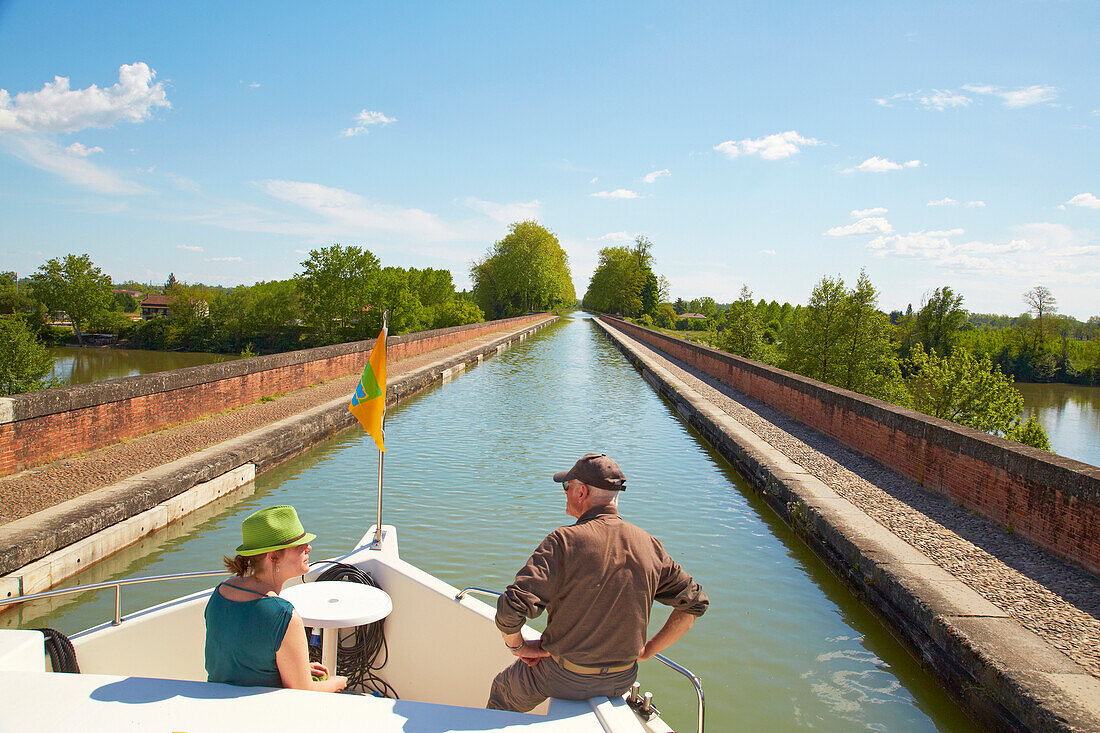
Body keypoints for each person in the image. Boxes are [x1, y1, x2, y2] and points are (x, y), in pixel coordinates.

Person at [487, 453, 708, 712]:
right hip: (623, 678)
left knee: (502, 691)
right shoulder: (649, 545)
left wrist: (519, 646)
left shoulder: (563, 541)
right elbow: (695, 604)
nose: (565, 493)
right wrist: (648, 651)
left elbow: (510, 610)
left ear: (581, 492)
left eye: (566, 487)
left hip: (562, 676)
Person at [204, 505, 348, 692]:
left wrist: (297, 668)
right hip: (263, 712)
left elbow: (242, 662)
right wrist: (338, 681)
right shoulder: (284, 615)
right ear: (273, 557)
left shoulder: (221, 592)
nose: (309, 548)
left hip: (216, 704)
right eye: (299, 546)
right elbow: (302, 691)